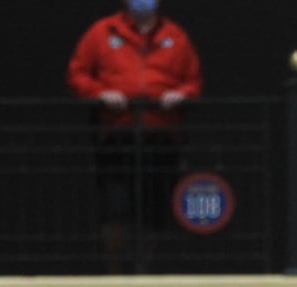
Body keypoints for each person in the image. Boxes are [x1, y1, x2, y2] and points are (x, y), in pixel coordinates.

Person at [65, 0, 203, 266]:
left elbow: (193, 82)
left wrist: (181, 94)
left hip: (160, 137)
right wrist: (99, 94)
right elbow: (77, 74)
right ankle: (114, 274)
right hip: (117, 135)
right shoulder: (103, 31)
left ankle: (146, 271)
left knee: (154, 209)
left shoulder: (175, 36)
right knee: (114, 208)